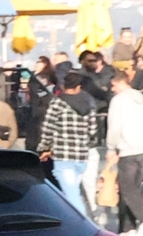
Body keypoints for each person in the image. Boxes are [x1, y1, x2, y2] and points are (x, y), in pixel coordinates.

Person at [37, 67, 101, 217]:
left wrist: (44, 147)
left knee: (72, 195)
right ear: (79, 86)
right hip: (81, 156)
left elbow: (48, 127)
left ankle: (84, 224)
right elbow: (93, 130)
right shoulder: (89, 104)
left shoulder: (58, 103)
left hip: (63, 156)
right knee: (72, 191)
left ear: (64, 85)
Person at [105, 72, 143, 236]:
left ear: (119, 83)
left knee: (126, 189)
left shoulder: (118, 101)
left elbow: (114, 126)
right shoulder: (140, 99)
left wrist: (111, 148)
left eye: (113, 85)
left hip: (127, 147)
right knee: (133, 187)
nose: (112, 89)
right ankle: (127, 228)